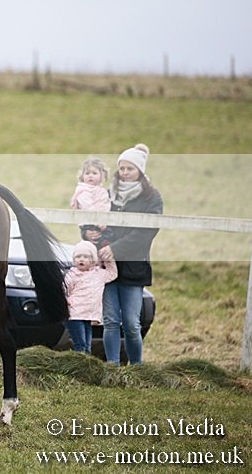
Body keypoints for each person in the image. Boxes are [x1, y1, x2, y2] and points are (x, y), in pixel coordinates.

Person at [83, 143, 162, 365]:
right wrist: (86, 232)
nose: (125, 173)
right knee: (110, 321)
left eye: (130, 168)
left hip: (133, 267)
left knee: (131, 323)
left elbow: (146, 233)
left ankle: (136, 367)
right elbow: (93, 218)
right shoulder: (108, 195)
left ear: (140, 170)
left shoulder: (152, 199)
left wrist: (115, 249)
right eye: (122, 168)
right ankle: (113, 367)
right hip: (106, 268)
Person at [64, 240, 117, 354]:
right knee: (81, 345)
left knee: (87, 346)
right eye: (78, 257)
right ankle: (80, 367)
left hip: (88, 315)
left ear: (93, 260)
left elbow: (113, 274)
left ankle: (86, 368)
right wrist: (66, 300)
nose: (81, 259)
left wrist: (108, 260)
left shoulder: (99, 274)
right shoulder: (72, 275)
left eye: (85, 257)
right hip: (75, 315)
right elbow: (64, 290)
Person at [70, 157, 112, 248]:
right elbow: (88, 207)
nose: (90, 176)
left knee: (108, 237)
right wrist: (99, 221)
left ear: (102, 175)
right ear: (82, 176)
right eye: (87, 173)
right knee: (95, 242)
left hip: (102, 221)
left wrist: (105, 219)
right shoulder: (83, 190)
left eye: (94, 173)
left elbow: (106, 205)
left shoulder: (101, 190)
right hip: (89, 223)